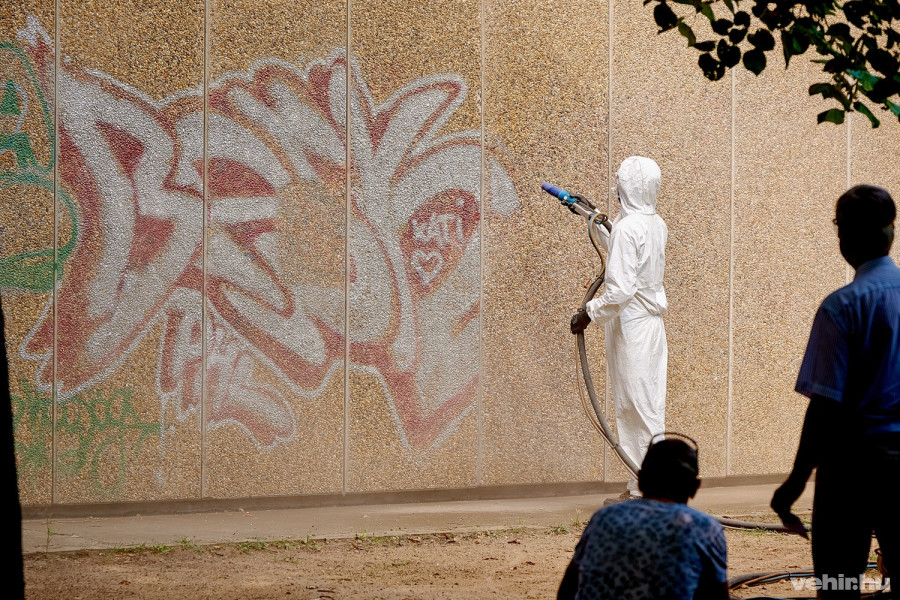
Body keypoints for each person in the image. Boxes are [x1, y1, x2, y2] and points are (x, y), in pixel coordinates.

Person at [771, 184, 900, 599]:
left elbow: (825, 405)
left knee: (839, 583)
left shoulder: (842, 307)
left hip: (852, 469)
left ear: (844, 235)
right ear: (891, 231)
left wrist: (794, 482)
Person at [571, 156, 668, 498]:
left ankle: (648, 490)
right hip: (648, 327)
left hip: (633, 327)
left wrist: (588, 313)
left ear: (628, 186)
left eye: (619, 182)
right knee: (641, 406)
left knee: (638, 408)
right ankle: (643, 484)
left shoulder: (629, 228)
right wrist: (592, 217)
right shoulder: (654, 223)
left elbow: (621, 289)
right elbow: (626, 258)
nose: (616, 188)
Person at [557, 434, 728, 600]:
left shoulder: (604, 518)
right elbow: (716, 594)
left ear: (640, 479)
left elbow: (568, 588)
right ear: (694, 486)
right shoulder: (703, 528)